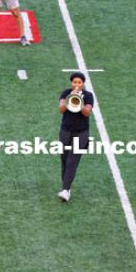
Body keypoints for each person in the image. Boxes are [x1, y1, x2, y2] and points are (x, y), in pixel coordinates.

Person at [58, 71, 94, 202]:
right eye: (74, 82)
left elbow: (87, 112)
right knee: (64, 160)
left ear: (83, 83)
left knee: (72, 161)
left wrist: (80, 101)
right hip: (65, 131)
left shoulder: (88, 95)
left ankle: (66, 190)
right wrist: (70, 98)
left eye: (79, 82)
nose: (77, 85)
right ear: (71, 83)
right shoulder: (66, 93)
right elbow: (61, 109)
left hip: (81, 133)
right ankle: (66, 187)